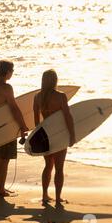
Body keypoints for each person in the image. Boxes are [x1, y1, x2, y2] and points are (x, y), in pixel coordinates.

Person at [33, 69, 76, 205]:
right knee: (59, 168)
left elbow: (36, 121)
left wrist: (38, 136)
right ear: (55, 80)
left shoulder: (37, 97)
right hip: (59, 134)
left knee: (48, 166)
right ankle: (58, 199)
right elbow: (67, 116)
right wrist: (72, 134)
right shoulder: (60, 96)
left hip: (45, 134)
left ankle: (45, 195)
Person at [0, 60, 28, 198]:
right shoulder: (6, 88)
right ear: (7, 72)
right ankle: (0, 190)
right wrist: (23, 126)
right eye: (12, 70)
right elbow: (14, 109)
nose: (13, 73)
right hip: (6, 128)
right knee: (4, 160)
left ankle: (0, 186)